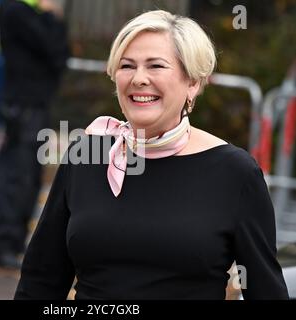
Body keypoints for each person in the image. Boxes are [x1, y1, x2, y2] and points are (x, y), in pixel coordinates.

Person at [14, 10, 289, 299]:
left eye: (156, 66)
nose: (139, 79)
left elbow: (265, 291)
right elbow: (40, 281)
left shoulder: (235, 172)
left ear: (193, 83)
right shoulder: (87, 154)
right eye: (127, 66)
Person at [0, 0, 70, 268]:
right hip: (23, 107)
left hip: (35, 106)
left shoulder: (26, 12)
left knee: (30, 176)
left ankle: (16, 241)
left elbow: (60, 55)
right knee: (17, 175)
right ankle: (4, 243)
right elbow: (54, 50)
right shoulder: (17, 11)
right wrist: (51, 17)